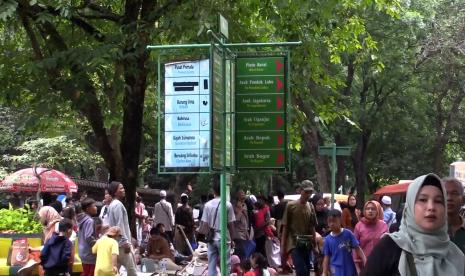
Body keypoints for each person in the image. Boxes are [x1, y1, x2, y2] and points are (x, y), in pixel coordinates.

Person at [361, 173, 465, 276]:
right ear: (410, 207)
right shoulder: (391, 247)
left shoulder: (455, 255)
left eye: (438, 201)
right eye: (423, 200)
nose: (431, 207)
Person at [200, 176, 236, 276]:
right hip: (224, 238)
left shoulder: (207, 205)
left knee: (211, 263)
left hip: (211, 238)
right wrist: (233, 240)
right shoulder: (227, 205)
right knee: (225, 264)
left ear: (213, 191)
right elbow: (231, 225)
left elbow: (205, 224)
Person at [281, 180, 316, 276]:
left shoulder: (310, 206)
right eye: (306, 192)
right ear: (300, 190)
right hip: (293, 243)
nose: (308, 195)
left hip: (306, 242)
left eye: (310, 192)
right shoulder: (290, 206)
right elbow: (285, 227)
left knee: (307, 270)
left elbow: (312, 227)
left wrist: (315, 245)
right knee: (301, 270)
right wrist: (283, 247)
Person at [106, 181, 137, 276]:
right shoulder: (118, 205)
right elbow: (119, 225)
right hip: (121, 245)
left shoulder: (111, 205)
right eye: (121, 188)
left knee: (116, 271)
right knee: (132, 270)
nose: (124, 190)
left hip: (114, 243)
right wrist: (125, 242)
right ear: (115, 192)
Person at [323, 209, 366, 276]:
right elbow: (326, 257)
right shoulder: (327, 239)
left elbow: (357, 248)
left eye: (334, 221)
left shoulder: (348, 234)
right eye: (329, 221)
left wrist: (364, 260)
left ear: (340, 220)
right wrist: (324, 272)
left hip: (349, 267)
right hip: (336, 269)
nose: (332, 224)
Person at [353, 200, 387, 273]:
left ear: (378, 210)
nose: (370, 211)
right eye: (367, 209)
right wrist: (357, 267)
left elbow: (387, 246)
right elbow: (354, 247)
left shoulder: (383, 225)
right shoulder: (359, 226)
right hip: (363, 264)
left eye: (373, 209)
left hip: (380, 264)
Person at [77, 197, 98, 276]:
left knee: (86, 272)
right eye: (94, 206)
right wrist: (98, 243)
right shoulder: (89, 220)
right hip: (89, 253)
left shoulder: (82, 219)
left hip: (82, 251)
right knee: (90, 272)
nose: (96, 208)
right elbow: (88, 237)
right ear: (88, 208)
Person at [443, 177, 465, 254]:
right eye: (445, 193)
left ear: (463, 200)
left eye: (455, 193)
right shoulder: (430, 230)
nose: (449, 198)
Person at [233, 191, 252, 261]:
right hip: (238, 235)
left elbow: (245, 222)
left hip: (244, 233)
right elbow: (235, 220)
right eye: (241, 196)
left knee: (244, 255)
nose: (243, 197)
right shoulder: (235, 207)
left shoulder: (245, 206)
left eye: (244, 196)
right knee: (241, 256)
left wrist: (247, 234)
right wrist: (240, 210)